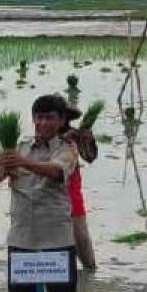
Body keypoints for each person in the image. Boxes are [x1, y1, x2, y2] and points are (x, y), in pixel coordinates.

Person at [0, 94, 82, 292]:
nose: (43, 123)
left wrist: (23, 163)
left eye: (50, 118)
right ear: (33, 120)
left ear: (61, 121)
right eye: (39, 118)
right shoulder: (19, 147)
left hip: (56, 239)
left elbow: (56, 171)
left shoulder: (67, 150)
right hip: (22, 237)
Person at [61, 102, 99, 271]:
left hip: (73, 200)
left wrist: (87, 139)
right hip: (49, 203)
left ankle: (89, 282)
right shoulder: (44, 137)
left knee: (83, 244)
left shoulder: (75, 135)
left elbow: (89, 157)